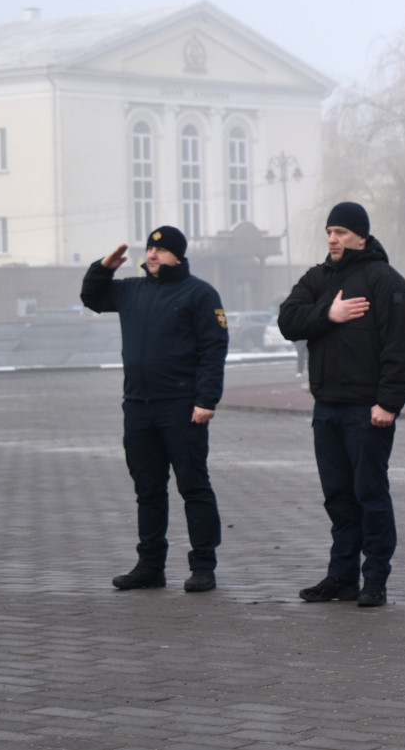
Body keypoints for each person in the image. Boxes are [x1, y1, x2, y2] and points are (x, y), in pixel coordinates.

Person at [277, 202, 405, 608]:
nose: (332, 239)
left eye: (340, 232)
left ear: (361, 236)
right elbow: (288, 321)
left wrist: (388, 403)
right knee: (338, 496)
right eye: (328, 232)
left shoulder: (386, 281)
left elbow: (399, 348)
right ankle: (341, 577)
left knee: (369, 494)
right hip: (327, 408)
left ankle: (375, 577)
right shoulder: (318, 277)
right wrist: (329, 313)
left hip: (367, 411)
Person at [80, 225, 227, 593]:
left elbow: (214, 348)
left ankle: (203, 566)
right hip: (138, 406)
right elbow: (92, 298)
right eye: (149, 249)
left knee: (193, 486)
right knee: (148, 489)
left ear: (178, 255)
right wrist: (103, 268)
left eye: (160, 250)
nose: (152, 254)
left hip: (181, 407)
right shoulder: (131, 290)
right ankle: (150, 566)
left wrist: (206, 400)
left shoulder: (200, 293)